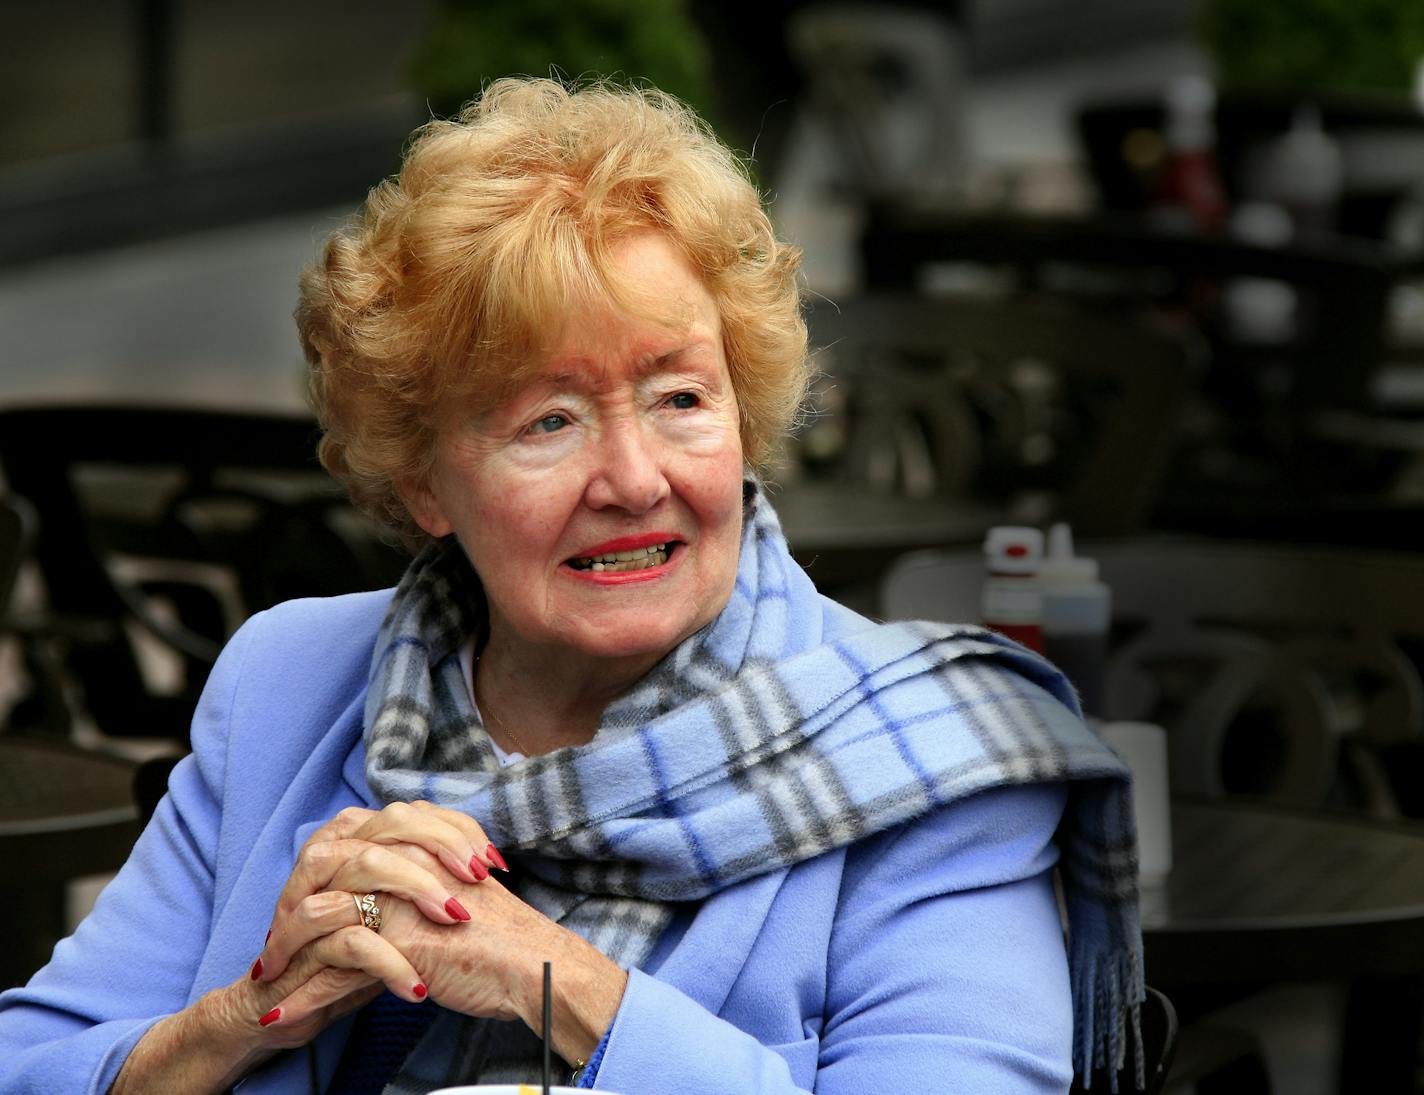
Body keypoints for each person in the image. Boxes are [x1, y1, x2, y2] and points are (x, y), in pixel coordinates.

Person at [0, 78, 1142, 1094]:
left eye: (680, 397)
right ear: (424, 480)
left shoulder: (938, 764)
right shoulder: (291, 682)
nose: (633, 478)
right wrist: (247, 1014)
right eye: (548, 420)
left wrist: (565, 987)